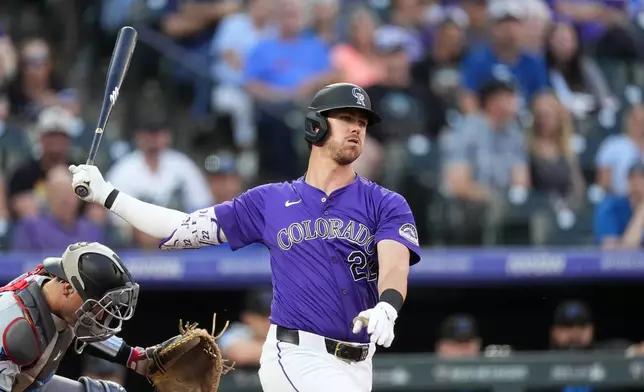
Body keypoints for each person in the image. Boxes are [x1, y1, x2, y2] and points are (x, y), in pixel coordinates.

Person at [69, 82, 421, 392]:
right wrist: (108, 195)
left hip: (359, 364)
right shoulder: (270, 200)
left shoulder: (386, 203)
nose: (356, 128)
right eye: (346, 118)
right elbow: (181, 228)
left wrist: (387, 307)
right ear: (315, 126)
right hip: (297, 354)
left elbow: (394, 266)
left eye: (362, 122)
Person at [0, 241, 159, 392]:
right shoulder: (16, 331)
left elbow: (83, 329)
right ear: (68, 289)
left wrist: (136, 358)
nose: (100, 316)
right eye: (96, 306)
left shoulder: (51, 291)